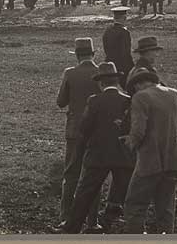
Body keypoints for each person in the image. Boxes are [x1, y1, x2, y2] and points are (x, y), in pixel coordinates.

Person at [120, 67, 177, 233]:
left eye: (133, 88)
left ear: (139, 84)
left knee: (135, 204)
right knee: (166, 206)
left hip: (149, 161)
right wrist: (165, 121)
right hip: (174, 159)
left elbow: (139, 131)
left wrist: (130, 142)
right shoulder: (173, 93)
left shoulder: (141, 97)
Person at [63, 62, 134, 234]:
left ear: (100, 83)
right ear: (116, 80)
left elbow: (85, 128)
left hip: (98, 155)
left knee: (85, 194)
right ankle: (121, 228)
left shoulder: (94, 101)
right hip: (123, 155)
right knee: (125, 196)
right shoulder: (128, 101)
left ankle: (71, 229)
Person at [55, 37, 101, 231]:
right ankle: (93, 221)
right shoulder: (102, 73)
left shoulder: (70, 73)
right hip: (97, 133)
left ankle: (66, 218)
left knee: (71, 175)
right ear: (92, 54)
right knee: (93, 175)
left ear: (77, 56)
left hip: (75, 131)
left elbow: (61, 102)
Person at [102, 6, 134, 89]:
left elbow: (106, 48)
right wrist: (132, 66)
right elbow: (126, 52)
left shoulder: (108, 31)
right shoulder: (124, 32)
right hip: (122, 66)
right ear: (124, 18)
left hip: (110, 63)